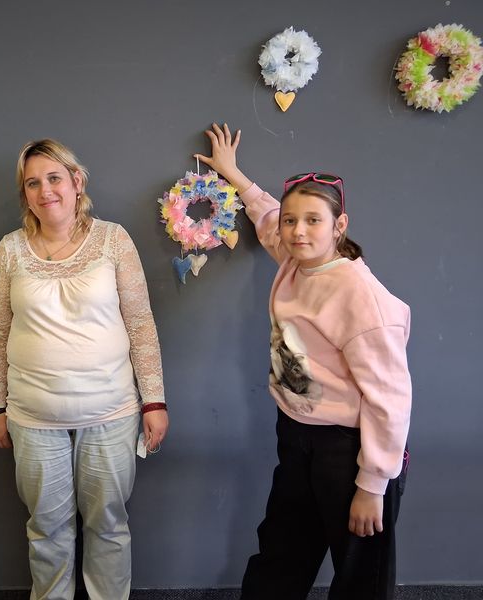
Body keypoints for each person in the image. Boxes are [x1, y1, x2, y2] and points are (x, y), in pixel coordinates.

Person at [195, 124, 411, 600]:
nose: (297, 231)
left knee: (360, 573)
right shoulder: (295, 259)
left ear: (339, 225)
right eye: (292, 221)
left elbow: (390, 399)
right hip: (297, 435)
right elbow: (267, 216)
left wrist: (372, 484)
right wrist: (233, 173)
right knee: (281, 555)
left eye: (313, 220)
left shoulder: (361, 297)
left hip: (351, 447)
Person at [0, 139, 168, 600]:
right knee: (46, 529)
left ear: (76, 182)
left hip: (111, 412)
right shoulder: (10, 250)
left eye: (54, 178)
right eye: (33, 183)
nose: (45, 191)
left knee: (108, 524)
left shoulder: (113, 239)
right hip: (32, 418)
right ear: (25, 195)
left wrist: (155, 401)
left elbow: (140, 323)